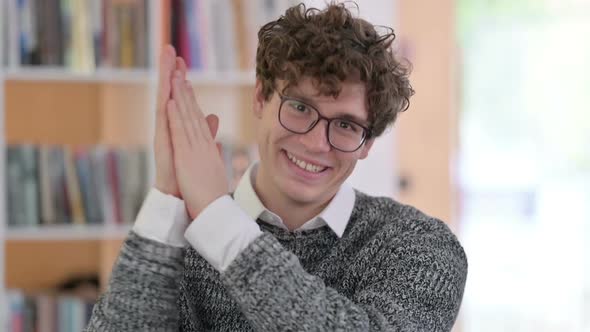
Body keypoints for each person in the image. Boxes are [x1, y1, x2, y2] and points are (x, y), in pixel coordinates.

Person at [86, 2, 467, 331]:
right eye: (300, 107)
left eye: (347, 125)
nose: (316, 143)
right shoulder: (175, 241)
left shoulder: (420, 246)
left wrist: (217, 218)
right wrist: (168, 197)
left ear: (367, 143)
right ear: (260, 98)